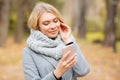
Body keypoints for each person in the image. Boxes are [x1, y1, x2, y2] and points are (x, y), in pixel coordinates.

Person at [22, 2, 90, 80]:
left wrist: (68, 41)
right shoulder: (29, 52)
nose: (53, 26)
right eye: (46, 23)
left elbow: (83, 71)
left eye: (55, 21)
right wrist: (57, 73)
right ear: (37, 27)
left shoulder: (67, 41)